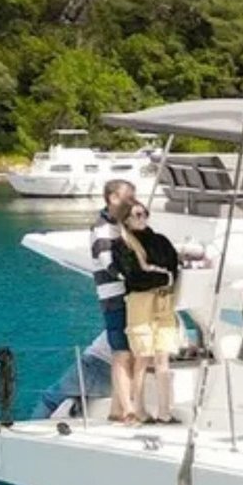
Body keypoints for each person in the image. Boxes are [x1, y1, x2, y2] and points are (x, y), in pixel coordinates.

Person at [111, 201, 185, 424]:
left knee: (163, 355)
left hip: (163, 300)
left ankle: (165, 411)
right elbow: (134, 278)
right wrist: (161, 275)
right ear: (126, 219)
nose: (142, 219)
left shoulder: (160, 241)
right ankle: (139, 409)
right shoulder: (122, 245)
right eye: (136, 216)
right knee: (142, 356)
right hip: (141, 302)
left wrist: (158, 274)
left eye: (144, 214)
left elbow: (173, 267)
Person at [88, 178, 139, 423]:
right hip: (114, 298)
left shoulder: (121, 225)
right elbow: (110, 265)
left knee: (131, 351)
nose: (132, 201)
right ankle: (126, 409)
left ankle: (118, 408)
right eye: (128, 197)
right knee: (121, 353)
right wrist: (139, 275)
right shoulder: (102, 229)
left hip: (127, 296)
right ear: (113, 198)